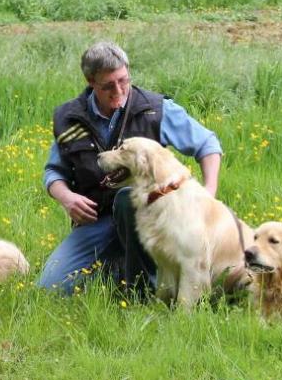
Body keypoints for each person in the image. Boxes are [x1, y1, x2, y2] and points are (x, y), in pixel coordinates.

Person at [36, 41, 223, 295]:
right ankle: (116, 267)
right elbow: (54, 172)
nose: (119, 91)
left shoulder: (154, 109)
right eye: (108, 86)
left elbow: (207, 144)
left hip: (153, 217)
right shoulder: (69, 118)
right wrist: (67, 198)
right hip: (96, 221)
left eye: (123, 80)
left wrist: (208, 195)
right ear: (91, 82)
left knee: (127, 199)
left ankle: (143, 290)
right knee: (51, 288)